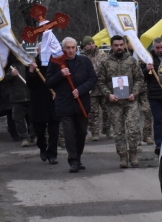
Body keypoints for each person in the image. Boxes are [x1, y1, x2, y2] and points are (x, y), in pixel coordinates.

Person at [46, 37, 97, 173]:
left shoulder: (84, 61)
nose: (70, 50)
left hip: (81, 103)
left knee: (81, 133)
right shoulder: (56, 62)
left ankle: (78, 157)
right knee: (68, 133)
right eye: (67, 48)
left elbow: (92, 79)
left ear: (77, 48)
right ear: (63, 49)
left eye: (73, 47)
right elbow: (49, 82)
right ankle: (73, 160)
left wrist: (80, 90)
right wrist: (60, 74)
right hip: (64, 103)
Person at [95, 35, 145, 168]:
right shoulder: (105, 62)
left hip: (130, 100)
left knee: (133, 128)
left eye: (121, 45)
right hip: (114, 102)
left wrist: (134, 92)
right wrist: (108, 94)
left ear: (124, 45)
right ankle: (123, 155)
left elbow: (140, 79)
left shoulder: (131, 61)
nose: (119, 47)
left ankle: (133, 154)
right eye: (116, 45)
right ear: (111, 46)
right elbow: (100, 81)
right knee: (118, 130)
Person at [27, 57, 60, 164]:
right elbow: (29, 84)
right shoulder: (33, 63)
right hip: (39, 102)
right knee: (39, 130)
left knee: (54, 130)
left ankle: (52, 154)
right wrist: (31, 71)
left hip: (52, 100)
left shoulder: (55, 63)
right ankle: (42, 147)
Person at [142, 37, 162, 154]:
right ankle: (159, 144)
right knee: (158, 120)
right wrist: (147, 69)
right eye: (157, 48)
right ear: (153, 48)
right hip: (154, 95)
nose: (160, 50)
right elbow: (142, 77)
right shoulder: (148, 59)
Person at [80, 36, 110, 142]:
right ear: (84, 46)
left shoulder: (102, 54)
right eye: (88, 44)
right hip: (91, 89)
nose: (91, 45)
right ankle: (94, 132)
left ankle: (107, 129)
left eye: (92, 43)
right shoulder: (81, 57)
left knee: (107, 109)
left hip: (103, 87)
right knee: (93, 112)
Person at [5, 55, 31, 147]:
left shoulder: (28, 64)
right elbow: (4, 79)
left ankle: (33, 135)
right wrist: (11, 74)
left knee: (31, 117)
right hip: (17, 97)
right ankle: (24, 137)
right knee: (18, 119)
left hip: (29, 96)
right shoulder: (10, 66)